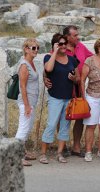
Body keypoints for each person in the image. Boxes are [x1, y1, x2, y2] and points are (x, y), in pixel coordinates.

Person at [44, 25, 93, 157]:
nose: (78, 37)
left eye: (78, 35)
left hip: (78, 85)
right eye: (75, 35)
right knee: (62, 117)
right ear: (67, 37)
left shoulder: (81, 47)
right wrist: (44, 78)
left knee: (80, 116)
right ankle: (63, 146)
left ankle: (76, 146)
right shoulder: (60, 48)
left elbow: (93, 58)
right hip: (63, 87)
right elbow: (48, 65)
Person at [39, 33, 80, 164]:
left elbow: (78, 78)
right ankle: (43, 154)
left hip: (68, 98)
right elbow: (48, 68)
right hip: (55, 97)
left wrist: (74, 79)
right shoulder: (48, 57)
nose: (63, 46)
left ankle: (59, 153)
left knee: (65, 126)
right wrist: (55, 52)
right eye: (60, 44)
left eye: (64, 44)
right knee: (51, 124)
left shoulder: (72, 59)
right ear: (54, 45)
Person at [15, 38, 40, 166]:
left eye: (37, 48)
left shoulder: (31, 63)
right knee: (23, 128)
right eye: (33, 48)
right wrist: (26, 105)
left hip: (31, 101)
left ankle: (22, 152)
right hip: (27, 101)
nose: (36, 50)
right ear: (26, 49)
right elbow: (22, 87)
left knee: (27, 127)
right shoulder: (24, 65)